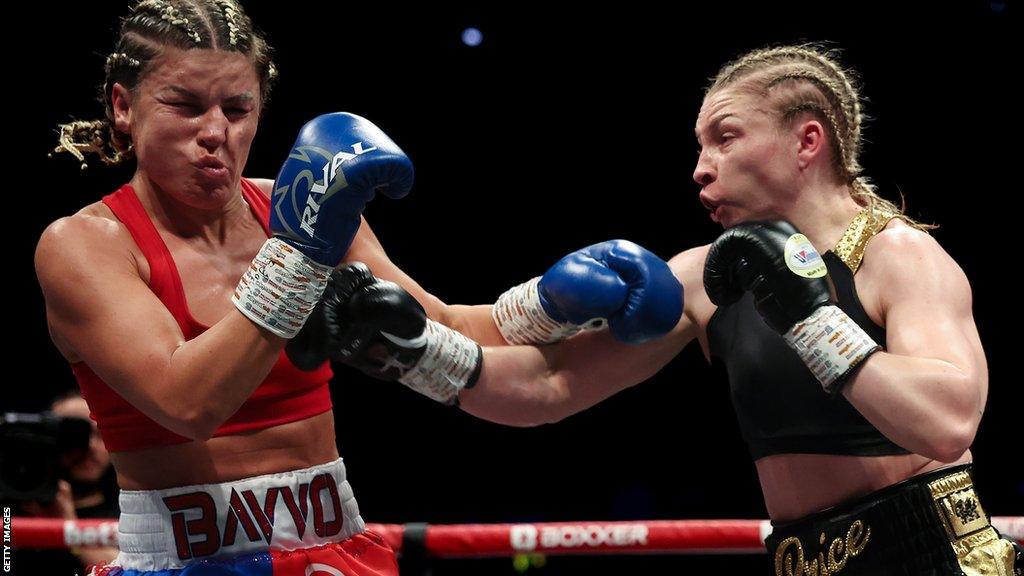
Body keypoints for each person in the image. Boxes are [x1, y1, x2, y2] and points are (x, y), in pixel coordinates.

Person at [316, 44, 1021, 575]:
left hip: (934, 551)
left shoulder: (898, 255)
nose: (700, 167)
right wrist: (416, 354)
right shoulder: (703, 279)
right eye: (698, 146)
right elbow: (548, 389)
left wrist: (811, 318)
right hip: (802, 559)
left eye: (726, 137)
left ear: (808, 141)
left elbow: (947, 422)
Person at [36, 1, 682, 574]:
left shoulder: (293, 208)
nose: (216, 132)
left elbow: (438, 324)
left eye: (237, 109)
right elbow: (188, 403)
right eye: (185, 105)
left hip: (335, 548)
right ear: (123, 106)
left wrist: (551, 306)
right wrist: (299, 252)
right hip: (185, 561)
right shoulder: (86, 245)